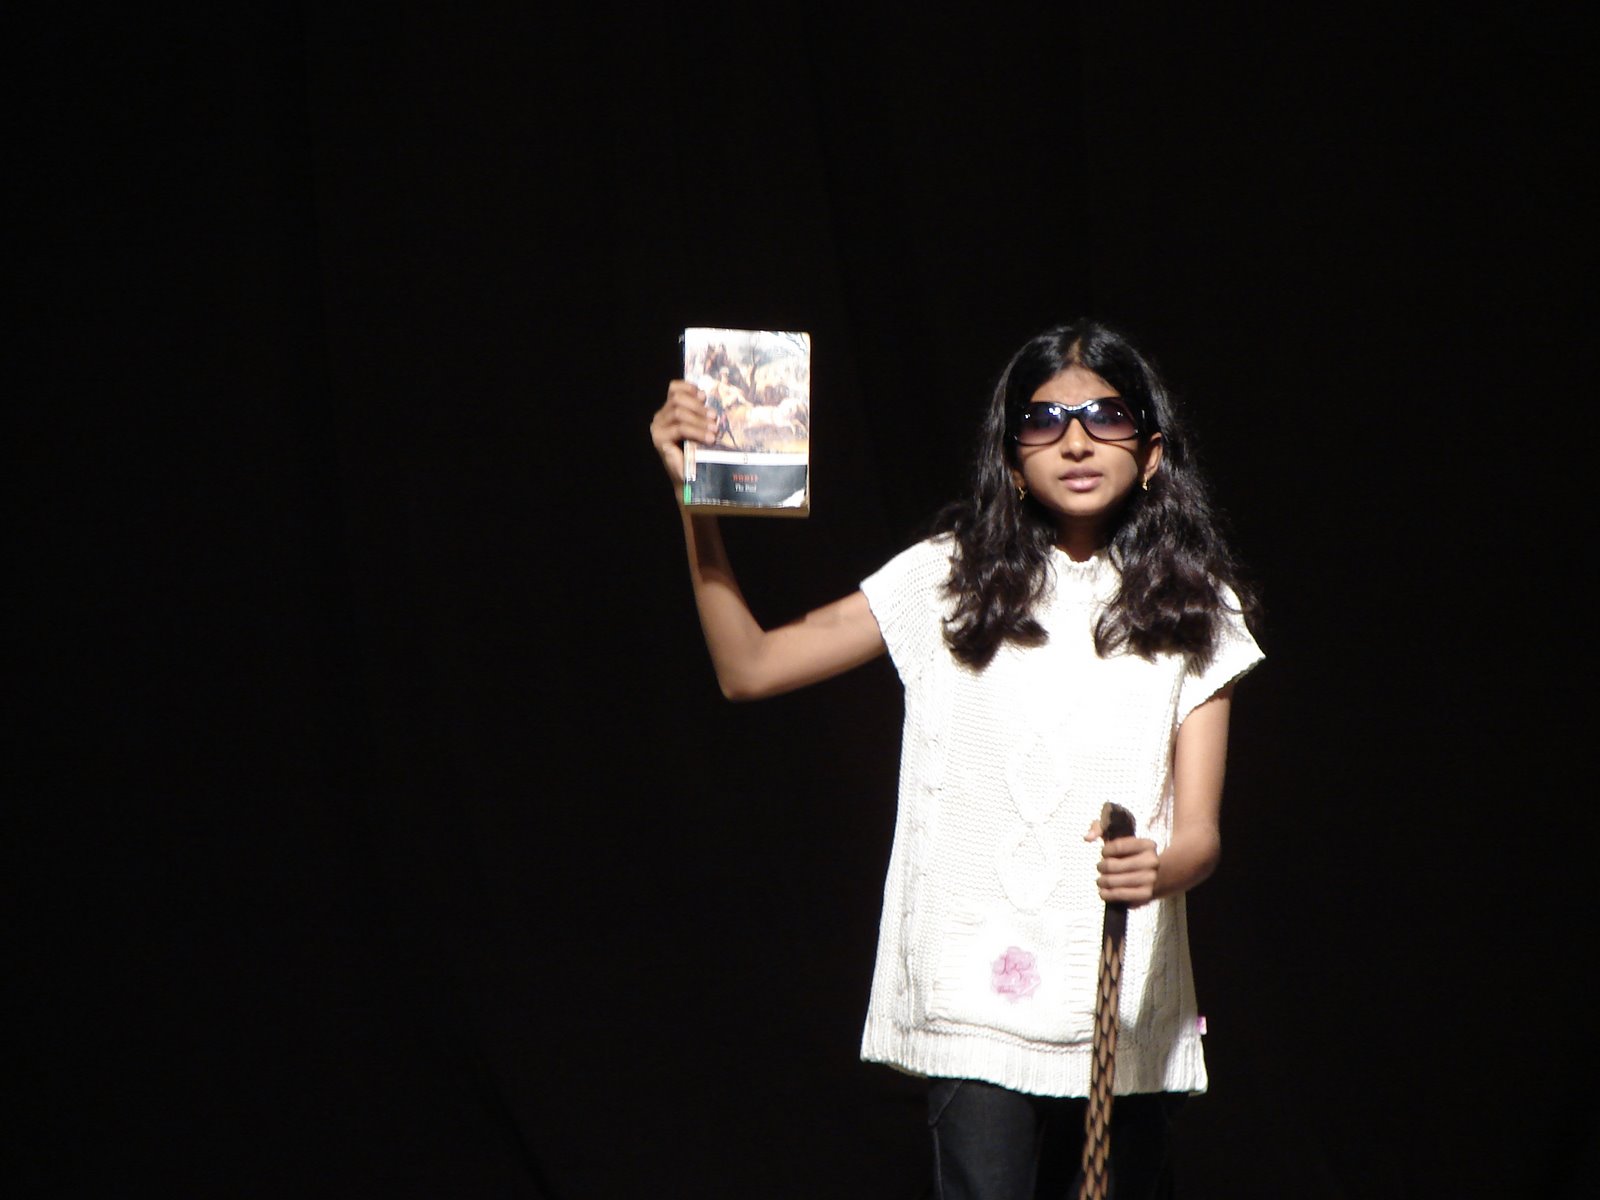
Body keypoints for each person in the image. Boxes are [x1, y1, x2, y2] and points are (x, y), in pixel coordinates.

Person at [649, 320, 1263, 1200]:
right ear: (1011, 459)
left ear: (1152, 452)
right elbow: (749, 668)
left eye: (1106, 416)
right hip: (975, 1005)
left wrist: (1157, 867)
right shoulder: (948, 577)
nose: (1076, 441)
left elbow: (1200, 833)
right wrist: (697, 500)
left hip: (1118, 1006)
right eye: (1044, 420)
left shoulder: (1198, 609)